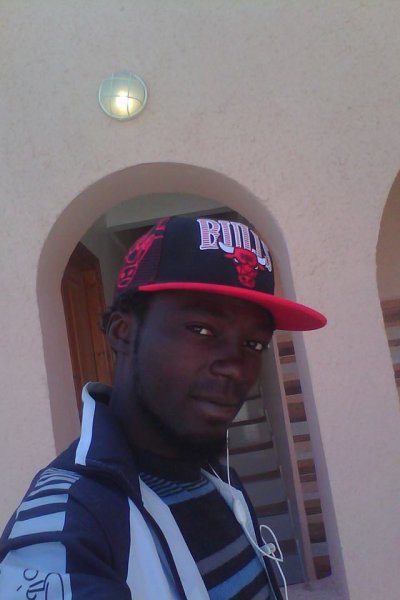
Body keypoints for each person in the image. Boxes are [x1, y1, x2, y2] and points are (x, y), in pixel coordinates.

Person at [0, 215, 326, 599]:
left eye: (253, 344)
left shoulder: (219, 480)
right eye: (202, 329)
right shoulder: (71, 521)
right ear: (123, 333)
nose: (236, 367)